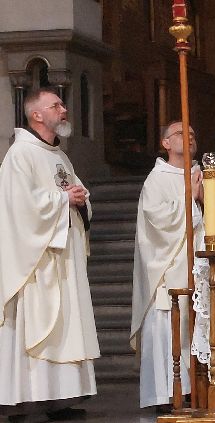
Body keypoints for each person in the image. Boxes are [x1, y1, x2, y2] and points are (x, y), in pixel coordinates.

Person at [131, 120, 215, 409]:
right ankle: (172, 391)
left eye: (193, 134)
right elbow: (157, 221)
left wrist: (206, 202)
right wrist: (190, 201)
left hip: (207, 268)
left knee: (213, 317)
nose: (190, 137)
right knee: (174, 322)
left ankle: (214, 386)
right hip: (171, 270)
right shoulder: (156, 180)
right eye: (181, 134)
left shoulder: (206, 175)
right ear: (165, 143)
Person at [0, 88, 99, 416]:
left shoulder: (59, 156)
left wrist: (80, 199)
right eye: (55, 105)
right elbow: (19, 207)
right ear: (36, 115)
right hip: (37, 262)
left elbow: (75, 194)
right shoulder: (20, 154)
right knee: (38, 323)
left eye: (62, 104)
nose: (64, 109)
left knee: (65, 324)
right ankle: (26, 400)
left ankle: (60, 398)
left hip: (63, 257)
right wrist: (63, 200)